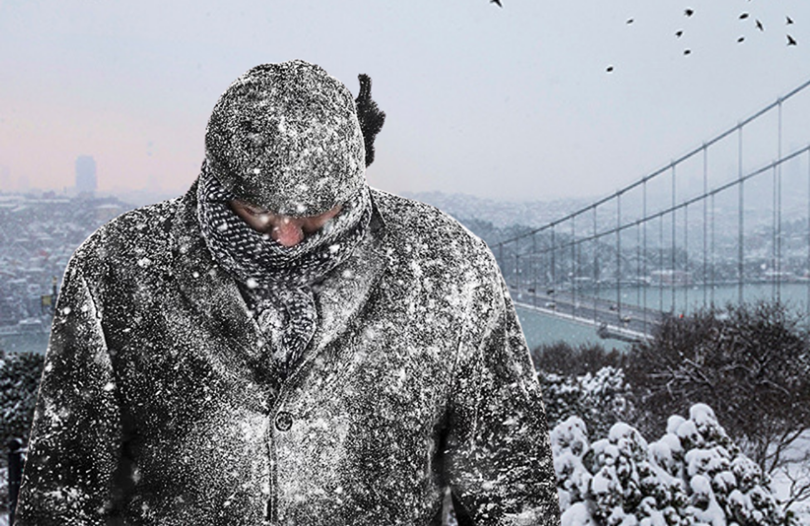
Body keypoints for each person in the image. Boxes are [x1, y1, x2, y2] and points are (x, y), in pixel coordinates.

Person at [15, 60, 558, 525]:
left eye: (316, 214)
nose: (289, 237)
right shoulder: (116, 269)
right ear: (217, 181)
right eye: (258, 212)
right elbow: (65, 484)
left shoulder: (448, 267)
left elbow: (509, 483)